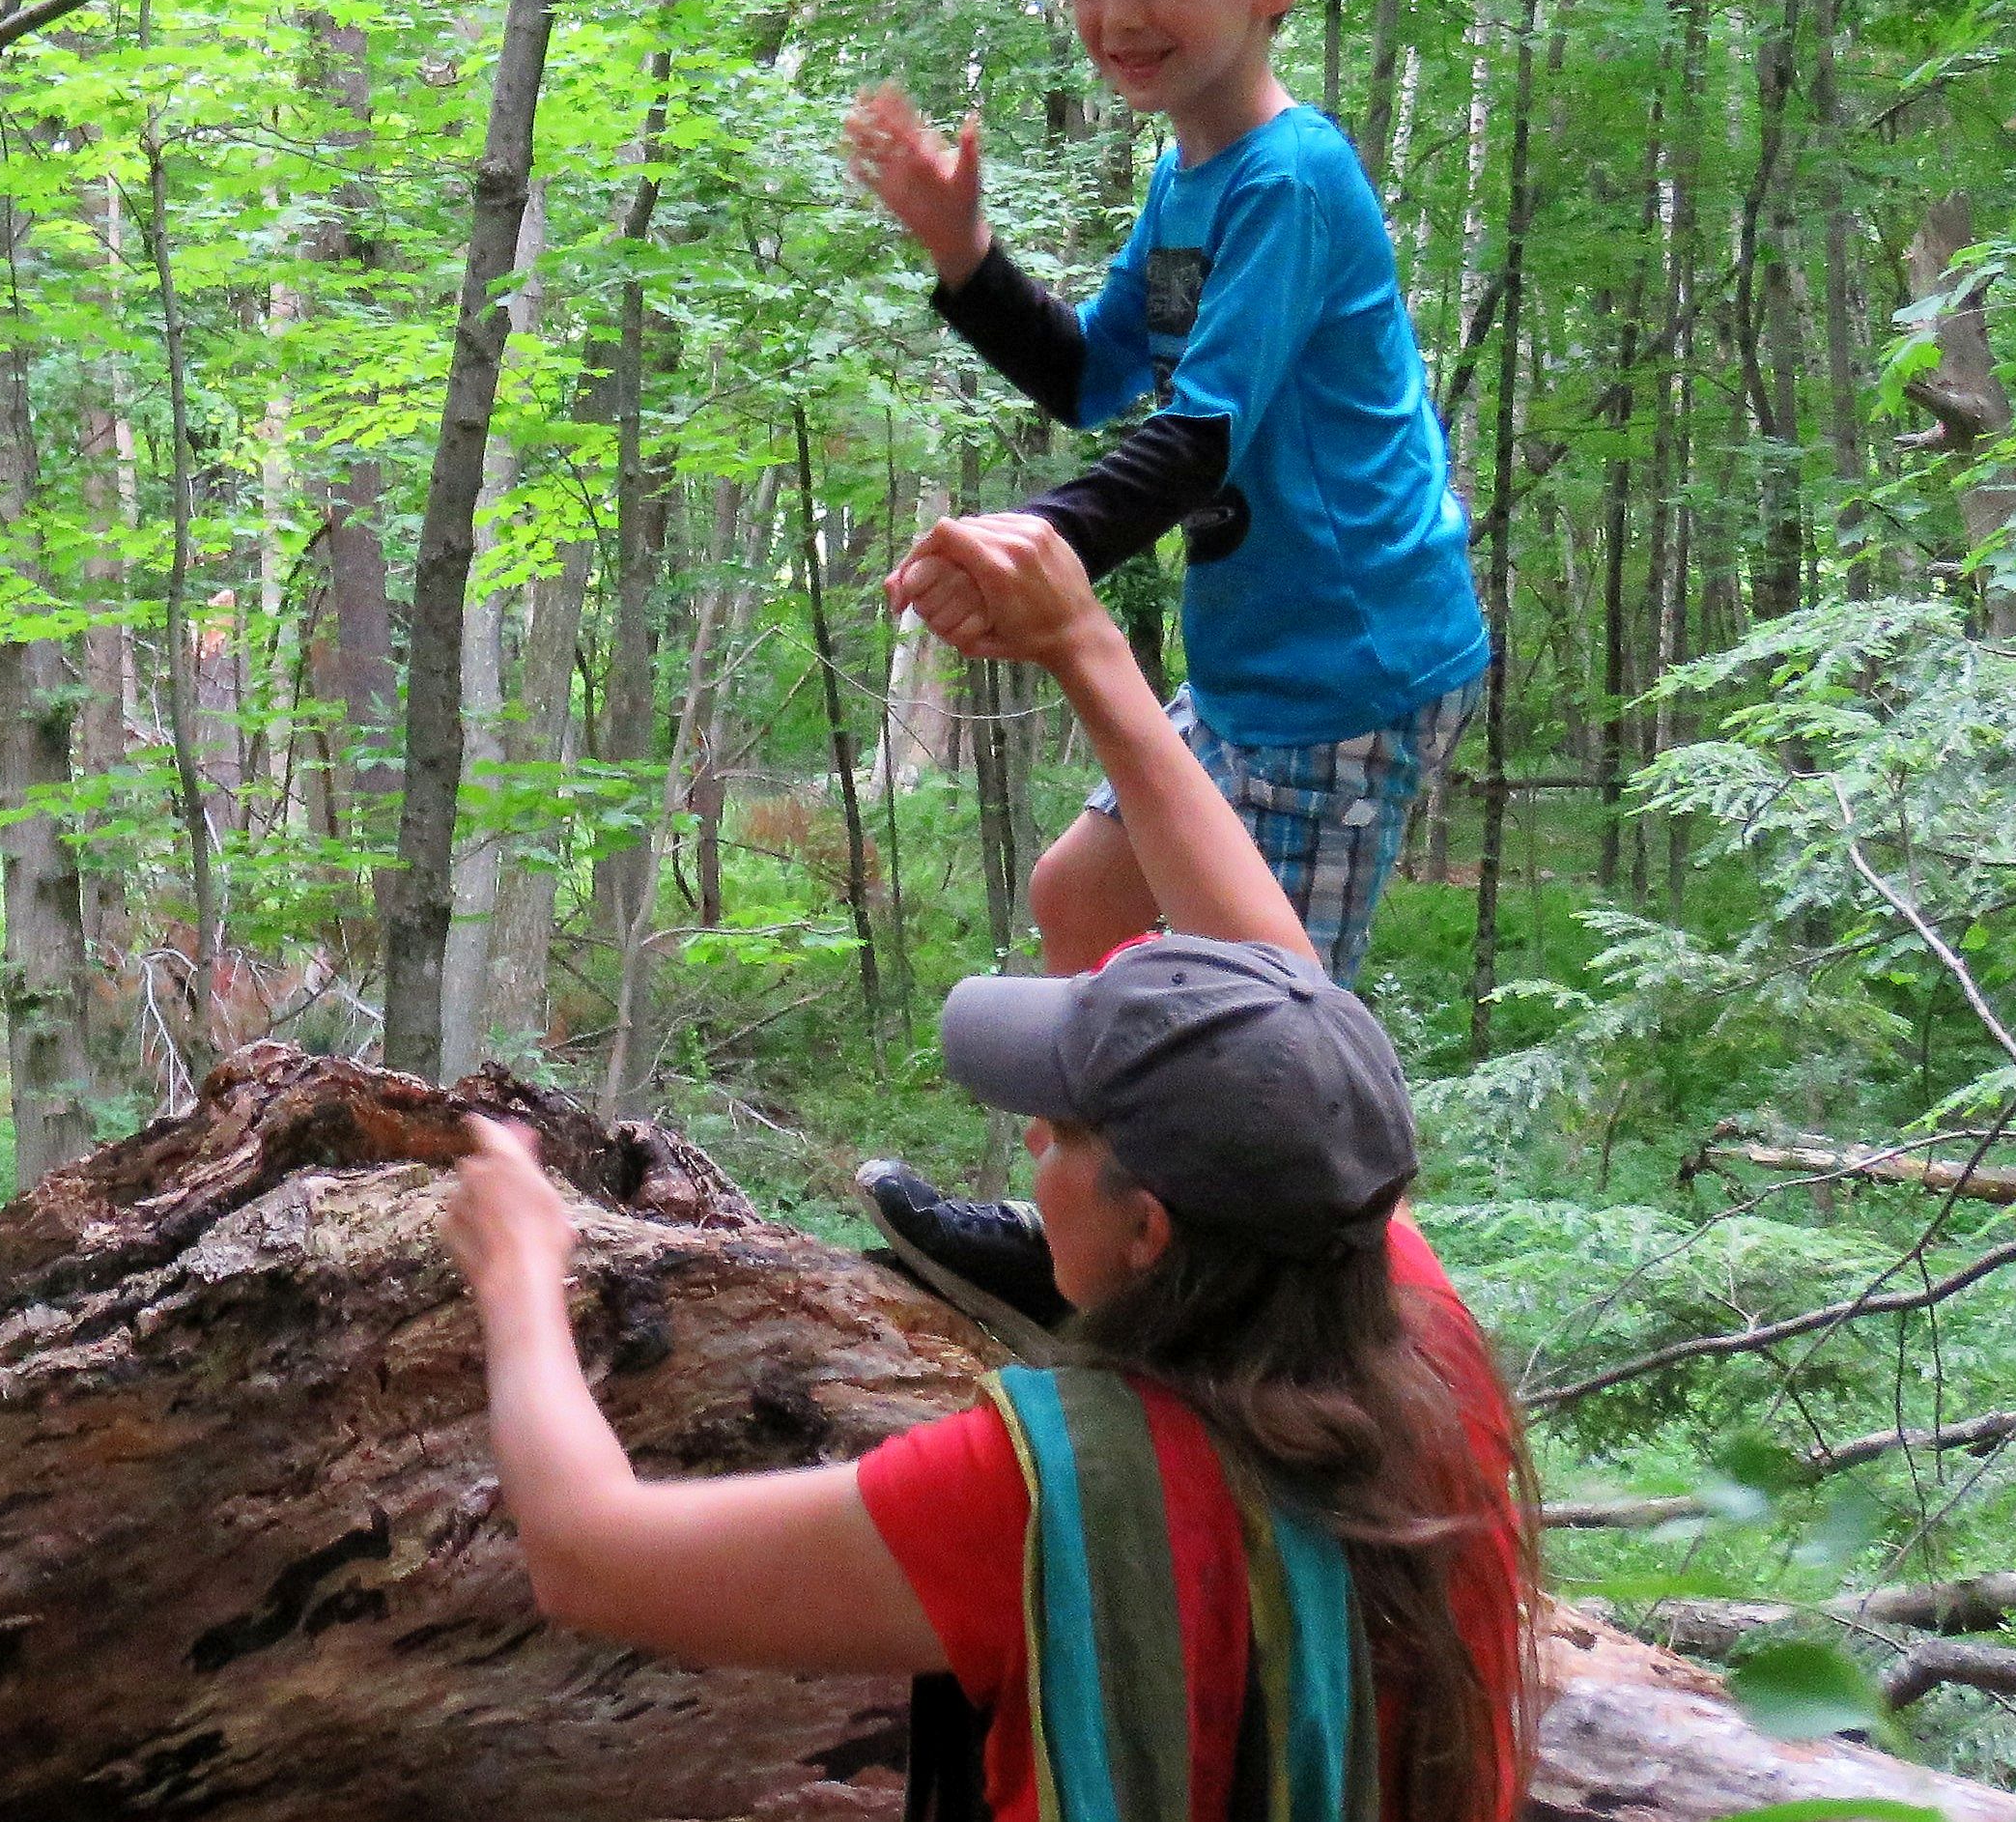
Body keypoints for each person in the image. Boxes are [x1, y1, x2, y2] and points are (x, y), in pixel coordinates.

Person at [443, 511, 1536, 1822]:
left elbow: (592, 1558)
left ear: (1148, 1233)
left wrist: (520, 1271)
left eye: (1062, 1130)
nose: (1029, 1142)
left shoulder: (1060, 1493)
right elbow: (1285, 1011)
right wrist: (1083, 647)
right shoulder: (1406, 1333)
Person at [843, 0, 1489, 1336]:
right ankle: (1080, 1237)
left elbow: (1196, 437)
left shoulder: (1291, 177)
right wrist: (962, 256)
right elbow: (1092, 376)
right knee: (1080, 899)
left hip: (1349, 674)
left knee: (1275, 1051)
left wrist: (1033, 546)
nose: (1113, 13)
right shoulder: (1190, 178)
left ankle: (1269, 1349)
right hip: (1256, 668)